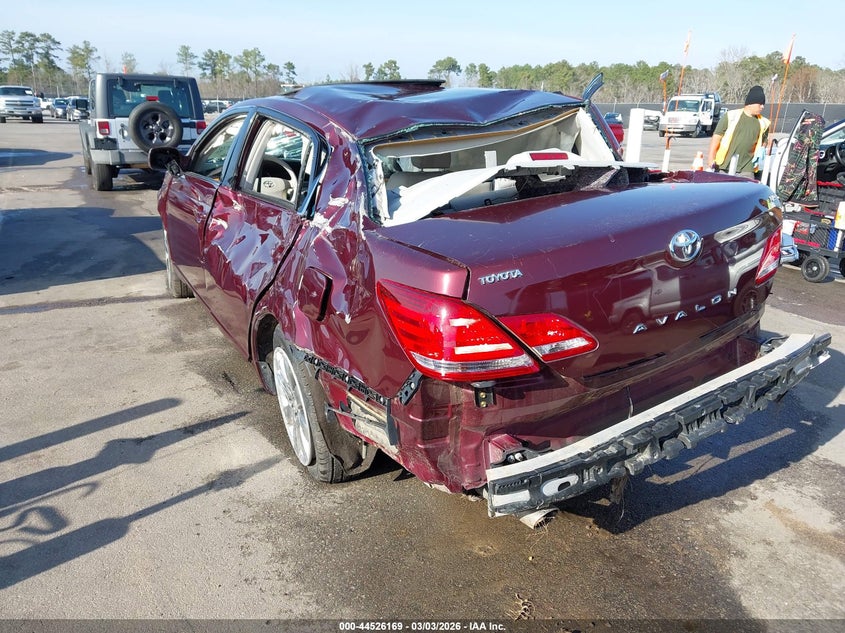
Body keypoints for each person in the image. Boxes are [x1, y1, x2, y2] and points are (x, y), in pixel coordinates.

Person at [707, 85, 770, 179]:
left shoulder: (764, 123)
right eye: (760, 104)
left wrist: (762, 149)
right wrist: (711, 158)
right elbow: (717, 137)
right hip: (724, 166)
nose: (762, 107)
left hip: (747, 168)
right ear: (750, 103)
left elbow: (764, 140)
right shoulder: (730, 116)